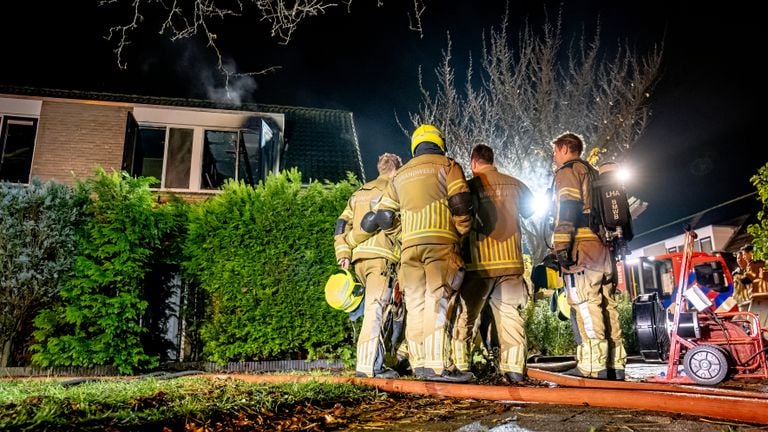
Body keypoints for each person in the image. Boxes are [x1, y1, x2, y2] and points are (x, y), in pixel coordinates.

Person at [368, 124, 475, 382]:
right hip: (441, 243)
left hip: (410, 249)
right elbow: (460, 201)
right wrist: (461, 230)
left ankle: (420, 365)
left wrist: (401, 235)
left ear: (416, 145)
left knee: (415, 305)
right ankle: (438, 366)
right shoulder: (448, 165)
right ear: (439, 142)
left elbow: (383, 215)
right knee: (438, 301)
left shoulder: (401, 174)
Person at [452, 144, 534, 384]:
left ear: (474, 162)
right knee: (510, 316)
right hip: (511, 264)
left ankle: (461, 366)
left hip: (480, 265)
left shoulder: (468, 186)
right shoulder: (516, 184)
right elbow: (530, 212)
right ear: (492, 160)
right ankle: (515, 370)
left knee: (466, 317)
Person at [551, 132, 625, 380]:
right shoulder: (595, 174)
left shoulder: (568, 172)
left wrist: (560, 247)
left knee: (585, 303)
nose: (554, 157)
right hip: (603, 249)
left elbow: (567, 209)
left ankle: (594, 366)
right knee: (607, 305)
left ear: (563, 149)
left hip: (581, 248)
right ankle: (616, 364)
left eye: (555, 151)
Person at [334, 153, 403, 379]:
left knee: (378, 312)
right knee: (375, 310)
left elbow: (341, 225)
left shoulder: (359, 193)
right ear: (397, 169)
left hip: (359, 260)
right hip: (381, 258)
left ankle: (377, 362)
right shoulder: (396, 189)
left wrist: (343, 252)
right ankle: (367, 367)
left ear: (379, 168)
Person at [735, 244, 768, 327]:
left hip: (760, 297)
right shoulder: (762, 263)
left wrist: (738, 277)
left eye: (744, 255)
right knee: (758, 321)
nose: (744, 257)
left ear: (750, 253)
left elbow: (747, 279)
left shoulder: (753, 265)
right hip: (761, 297)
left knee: (752, 322)